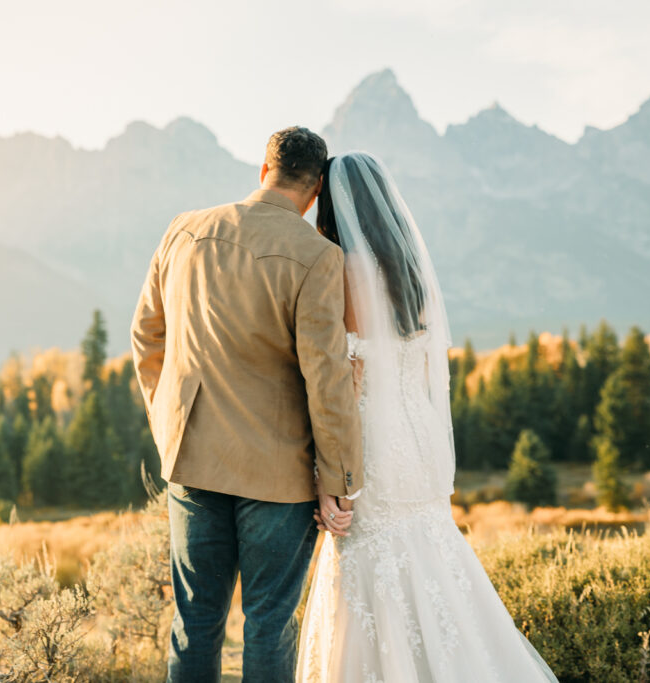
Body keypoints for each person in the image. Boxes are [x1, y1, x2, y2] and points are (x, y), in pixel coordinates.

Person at [296, 151, 559, 682]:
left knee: (368, 561)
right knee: (431, 555)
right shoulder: (410, 266)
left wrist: (332, 473)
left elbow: (348, 379)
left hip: (373, 438)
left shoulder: (344, 267)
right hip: (417, 437)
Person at [131, 126, 363, 683]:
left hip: (191, 463)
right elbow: (326, 377)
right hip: (277, 475)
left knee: (196, 621)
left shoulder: (183, 231)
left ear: (264, 170)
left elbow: (146, 337)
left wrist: (171, 427)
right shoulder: (318, 256)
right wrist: (338, 476)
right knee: (267, 622)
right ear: (315, 192)